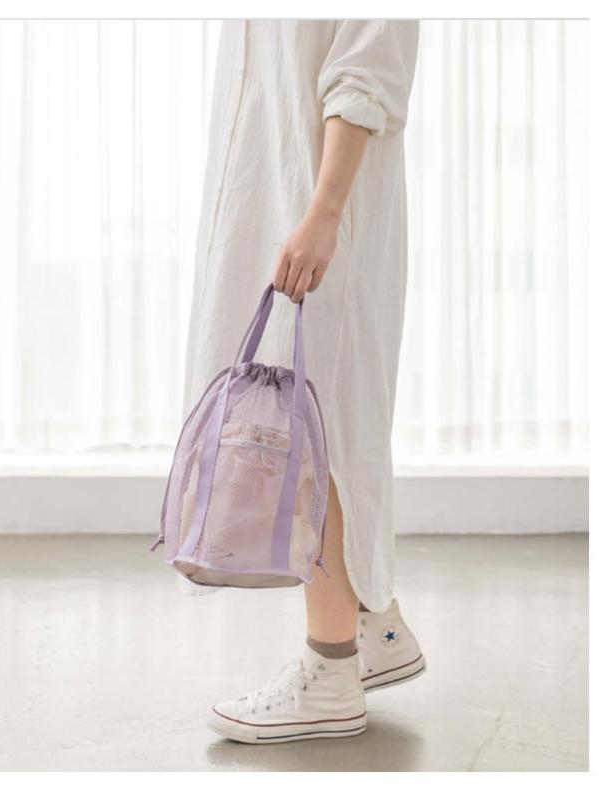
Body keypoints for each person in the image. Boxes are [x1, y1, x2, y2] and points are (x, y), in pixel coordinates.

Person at [183, 20, 424, 744]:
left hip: (323, 212)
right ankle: (374, 626)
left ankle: (331, 671)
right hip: (266, 199)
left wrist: (323, 215)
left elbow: (366, 76)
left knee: (322, 428)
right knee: (308, 413)